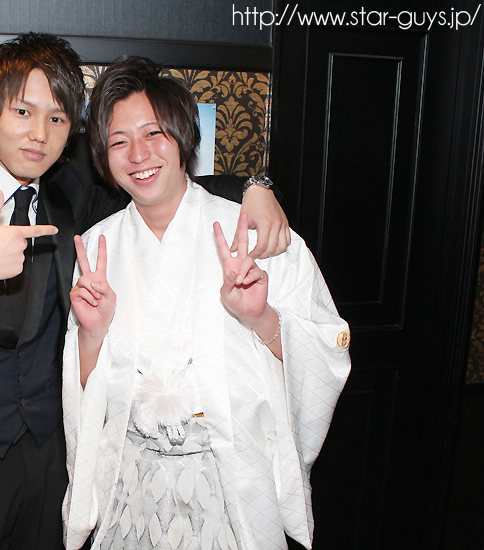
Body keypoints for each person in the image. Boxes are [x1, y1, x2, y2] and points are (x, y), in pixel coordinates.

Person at [0, 34, 289, 550]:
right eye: (23, 112)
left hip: (53, 459)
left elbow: (160, 183)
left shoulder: (71, 195)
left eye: (57, 118)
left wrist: (257, 187)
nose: (40, 134)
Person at [62, 57, 351, 550]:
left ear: (182, 136)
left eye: (154, 133)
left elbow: (327, 353)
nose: (138, 154)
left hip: (230, 487)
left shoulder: (254, 235)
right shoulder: (96, 249)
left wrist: (261, 318)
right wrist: (91, 336)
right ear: (103, 158)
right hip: (132, 489)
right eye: (118, 141)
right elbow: (86, 394)